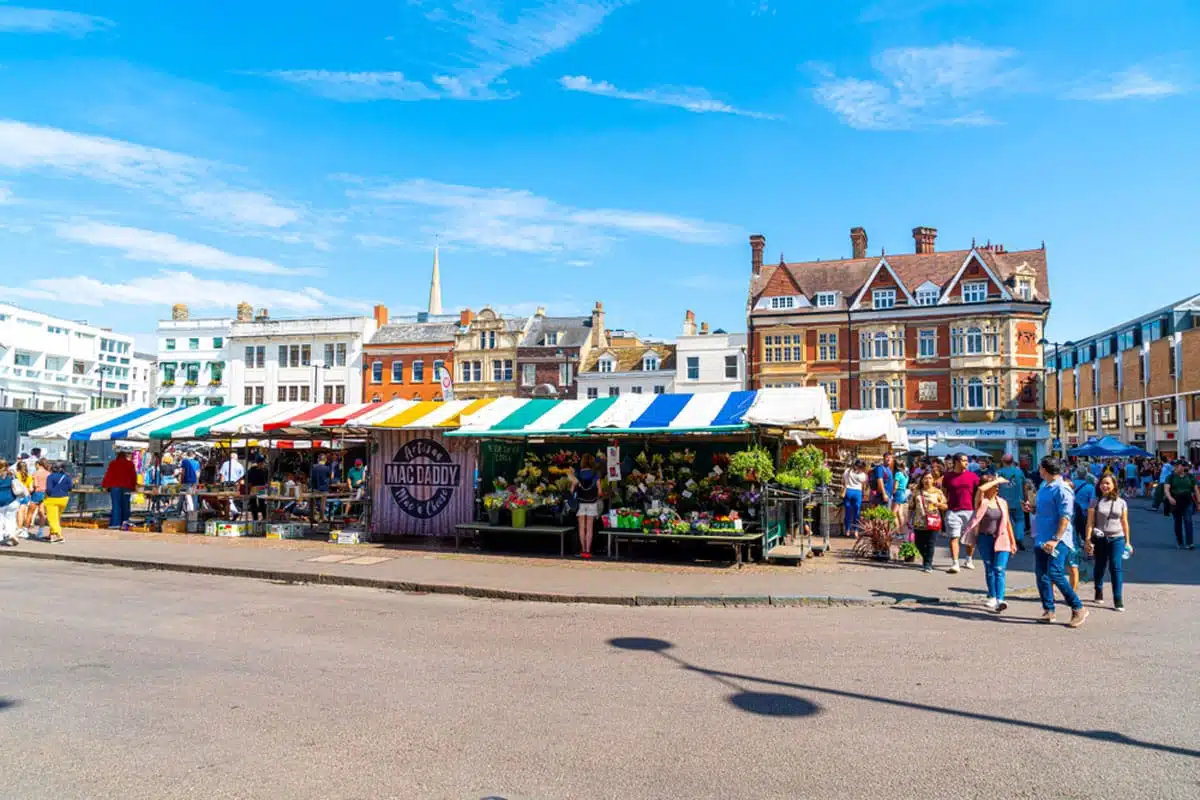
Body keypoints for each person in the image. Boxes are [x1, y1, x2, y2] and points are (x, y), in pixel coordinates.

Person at [1030, 456, 1087, 627]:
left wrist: (1056, 539)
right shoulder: (1044, 486)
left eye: (1040, 467)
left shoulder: (1062, 489)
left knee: (1055, 573)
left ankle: (1078, 607)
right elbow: (1044, 509)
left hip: (1057, 539)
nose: (1039, 470)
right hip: (1041, 536)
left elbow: (1065, 516)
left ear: (1044, 470)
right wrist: (1032, 508)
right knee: (1042, 574)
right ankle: (1049, 610)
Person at [963, 477, 1019, 612]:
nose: (997, 488)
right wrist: (996, 480)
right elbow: (980, 489)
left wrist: (1013, 542)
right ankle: (992, 596)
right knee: (989, 568)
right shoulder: (982, 502)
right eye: (994, 486)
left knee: (999, 569)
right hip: (984, 538)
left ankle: (1000, 600)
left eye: (998, 486)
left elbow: (1008, 523)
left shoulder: (1002, 502)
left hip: (1001, 538)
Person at [1085, 473, 1130, 612]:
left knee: (1116, 567)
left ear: (1114, 485)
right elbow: (1090, 523)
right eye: (1102, 483)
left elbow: (1124, 522)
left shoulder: (1122, 502)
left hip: (1117, 538)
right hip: (1100, 538)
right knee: (1100, 566)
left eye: (1108, 483)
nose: (1104, 486)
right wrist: (1087, 539)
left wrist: (1128, 542)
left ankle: (1118, 599)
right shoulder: (1095, 501)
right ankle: (1098, 590)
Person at [942, 453, 981, 573]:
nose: (966, 463)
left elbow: (980, 492)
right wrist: (944, 505)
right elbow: (944, 492)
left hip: (969, 510)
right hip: (953, 511)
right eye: (963, 460)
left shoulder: (973, 476)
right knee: (954, 537)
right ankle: (955, 563)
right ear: (956, 462)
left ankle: (968, 559)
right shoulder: (948, 476)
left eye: (967, 460)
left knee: (970, 539)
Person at [908, 471, 947, 573]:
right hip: (919, 521)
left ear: (933, 480)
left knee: (930, 543)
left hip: (933, 521)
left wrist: (937, 504)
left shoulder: (938, 492)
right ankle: (926, 559)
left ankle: (928, 564)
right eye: (925, 478)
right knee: (918, 543)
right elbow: (911, 507)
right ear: (921, 480)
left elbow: (945, 506)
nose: (927, 480)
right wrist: (907, 519)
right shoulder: (917, 492)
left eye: (930, 478)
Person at [569, 453, 602, 559]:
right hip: (592, 502)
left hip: (581, 503)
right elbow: (600, 491)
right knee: (590, 528)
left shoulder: (578, 474)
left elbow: (571, 490)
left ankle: (582, 550)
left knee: (581, 528)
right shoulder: (595, 474)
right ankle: (588, 551)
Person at [1070, 466, 1097, 592]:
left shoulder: (1071, 484)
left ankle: (1075, 551)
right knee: (1087, 534)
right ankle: (1090, 552)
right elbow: (1092, 501)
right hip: (1086, 514)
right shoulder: (1090, 487)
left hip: (1072, 513)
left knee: (1074, 533)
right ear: (1086, 475)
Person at [1163, 460, 1199, 549]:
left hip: (1187, 501)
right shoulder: (1171, 477)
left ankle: (1190, 543)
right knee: (1178, 522)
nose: (1184, 468)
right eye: (1181, 466)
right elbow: (1166, 489)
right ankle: (1180, 541)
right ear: (1177, 466)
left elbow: (1196, 490)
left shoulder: (1190, 477)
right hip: (1176, 501)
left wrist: (1199, 502)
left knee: (1188, 521)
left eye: (1184, 466)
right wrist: (1170, 498)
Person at [997, 454, 1027, 550]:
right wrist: (1026, 499)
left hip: (1003, 501)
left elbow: (996, 487)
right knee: (1020, 520)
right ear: (1013, 461)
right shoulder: (1019, 472)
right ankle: (1019, 538)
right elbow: (1024, 486)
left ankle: (1008, 540)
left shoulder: (999, 472)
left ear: (1003, 461)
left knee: (1005, 521)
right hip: (1018, 500)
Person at [101, 451, 137, 530]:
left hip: (115, 487)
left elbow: (108, 475)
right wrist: (134, 486)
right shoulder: (130, 464)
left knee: (116, 506)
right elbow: (133, 476)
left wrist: (104, 485)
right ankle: (124, 522)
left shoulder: (113, 464)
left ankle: (115, 523)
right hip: (127, 487)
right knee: (125, 505)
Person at [43, 461, 72, 543]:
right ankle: (51, 535)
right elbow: (70, 487)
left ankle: (59, 535)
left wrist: (47, 494)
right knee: (56, 517)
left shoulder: (50, 477)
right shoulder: (66, 476)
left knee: (52, 519)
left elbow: (49, 489)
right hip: (64, 498)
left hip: (52, 499)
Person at [842, 460, 868, 537]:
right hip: (857, 493)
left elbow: (843, 481)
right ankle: (856, 531)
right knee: (857, 512)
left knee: (848, 512)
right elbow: (865, 485)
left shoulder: (847, 471)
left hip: (848, 492)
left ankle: (847, 530)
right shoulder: (862, 475)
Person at [0, 461, 21, 546]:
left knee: (0, 520)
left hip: (1, 501)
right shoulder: (11, 474)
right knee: (11, 519)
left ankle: (1, 536)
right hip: (12, 500)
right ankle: (11, 534)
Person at [244, 454, 269, 521]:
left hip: (260, 488)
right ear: (259, 462)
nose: (262, 464)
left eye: (262, 463)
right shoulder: (253, 470)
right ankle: (256, 518)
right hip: (255, 488)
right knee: (254, 503)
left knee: (261, 503)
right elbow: (248, 480)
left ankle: (263, 517)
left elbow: (267, 480)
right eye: (261, 462)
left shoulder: (264, 470)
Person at [14, 460, 35, 537]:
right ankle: (24, 530)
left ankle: (18, 528)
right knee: (25, 513)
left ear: (17, 467)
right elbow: (31, 489)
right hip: (26, 496)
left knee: (18, 513)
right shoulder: (29, 476)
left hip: (17, 496)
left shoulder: (16, 475)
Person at [30, 458, 50, 539]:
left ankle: (25, 530)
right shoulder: (48, 473)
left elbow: (35, 484)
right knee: (42, 513)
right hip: (45, 493)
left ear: (39, 465)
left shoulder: (36, 473)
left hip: (37, 492)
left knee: (30, 512)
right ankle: (40, 531)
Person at [309, 454, 333, 522]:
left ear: (318, 460)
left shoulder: (313, 467)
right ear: (325, 460)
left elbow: (311, 478)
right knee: (323, 504)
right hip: (324, 488)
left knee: (314, 504)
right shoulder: (327, 468)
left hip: (315, 488)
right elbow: (331, 477)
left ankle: (313, 517)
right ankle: (322, 518)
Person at [891, 462, 910, 531]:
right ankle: (901, 530)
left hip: (898, 493)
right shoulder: (906, 475)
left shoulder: (898, 474)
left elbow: (895, 486)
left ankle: (897, 530)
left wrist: (892, 493)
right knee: (899, 513)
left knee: (893, 513)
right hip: (903, 493)